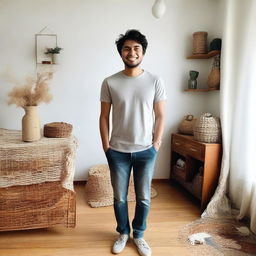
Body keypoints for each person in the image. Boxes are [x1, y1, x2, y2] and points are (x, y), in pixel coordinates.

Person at [99, 29, 166, 256]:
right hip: (117, 150)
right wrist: (106, 146)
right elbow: (103, 116)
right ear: (121, 53)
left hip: (146, 150)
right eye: (127, 48)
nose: (132, 52)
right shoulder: (110, 82)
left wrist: (156, 144)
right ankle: (122, 233)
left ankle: (139, 234)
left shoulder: (155, 80)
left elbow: (161, 115)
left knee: (144, 197)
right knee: (119, 197)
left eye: (136, 48)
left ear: (143, 52)